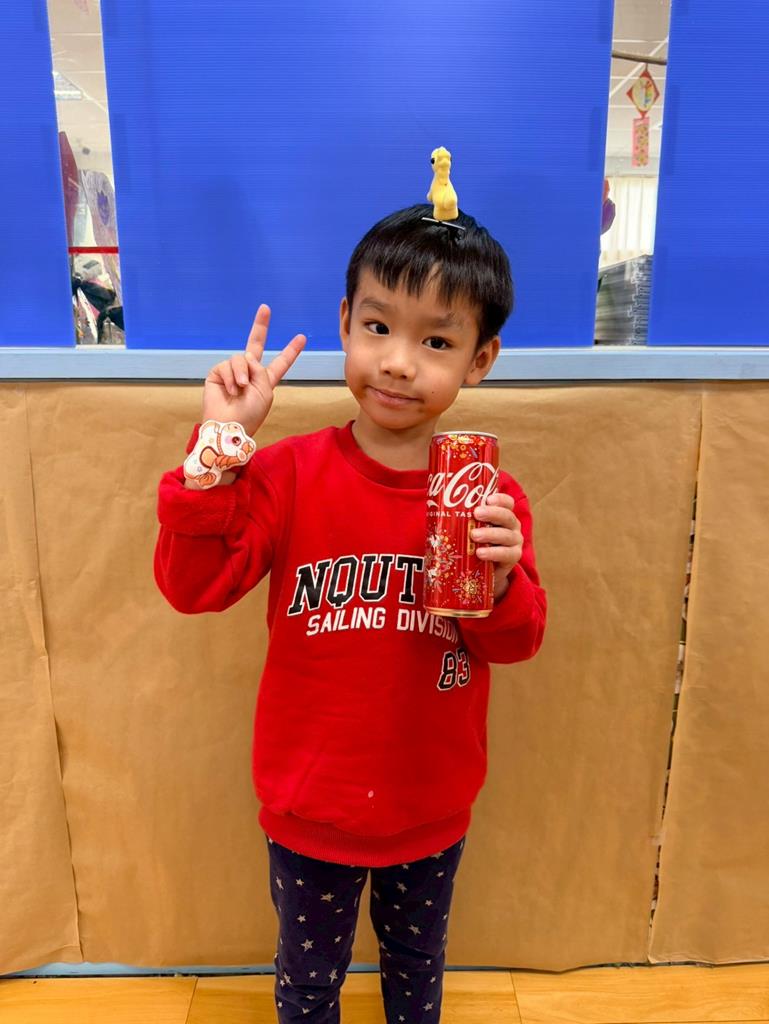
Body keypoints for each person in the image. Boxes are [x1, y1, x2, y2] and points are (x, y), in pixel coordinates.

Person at [154, 202, 547, 1024]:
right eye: (377, 327)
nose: (397, 363)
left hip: (429, 803)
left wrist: (501, 578)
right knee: (307, 982)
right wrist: (218, 450)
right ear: (343, 324)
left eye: (436, 341)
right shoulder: (286, 474)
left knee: (417, 970)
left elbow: (514, 643)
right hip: (311, 804)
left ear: (480, 360)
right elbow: (194, 587)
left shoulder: (487, 497)